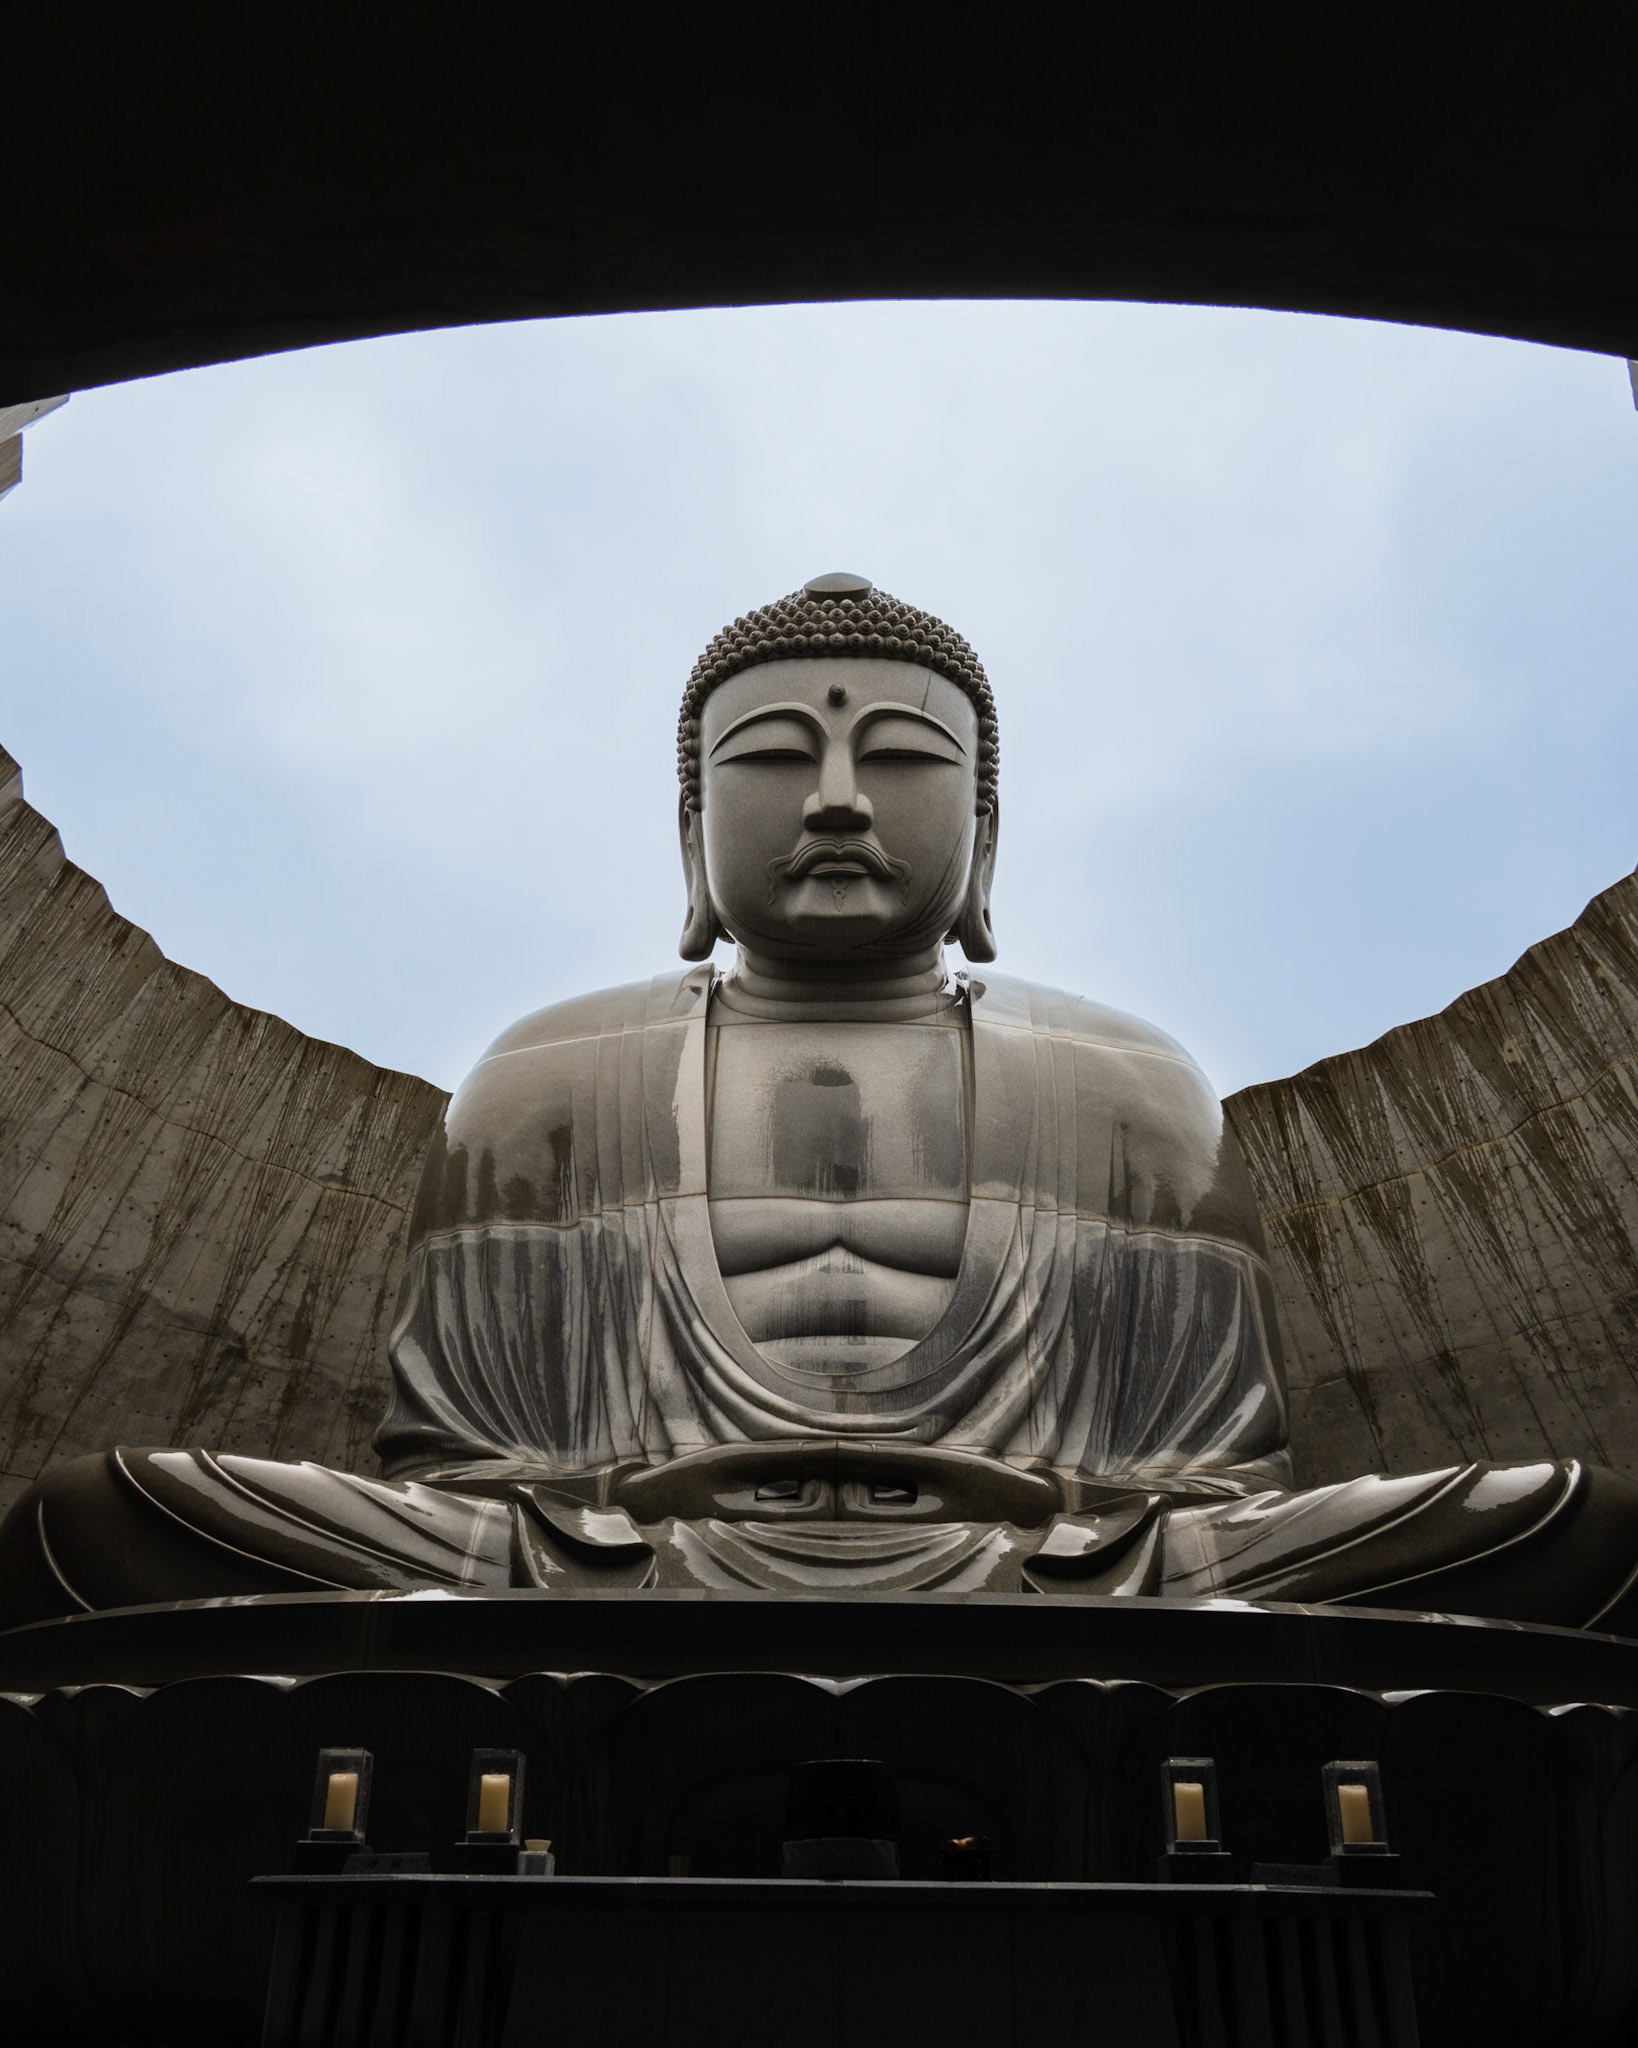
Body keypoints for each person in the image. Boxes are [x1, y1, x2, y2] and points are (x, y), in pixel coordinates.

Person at [5, 574, 1636, 1629]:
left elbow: (1211, 1487)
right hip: (611, 1575)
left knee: (1562, 1526)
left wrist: (1050, 1522)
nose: (841, 799)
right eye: (775, 759)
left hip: (1065, 1577)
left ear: (984, 832)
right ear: (689, 828)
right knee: (115, 1516)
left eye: (905, 763)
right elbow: (465, 1475)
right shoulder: (547, 1071)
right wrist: (620, 1516)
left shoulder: (1130, 1081)